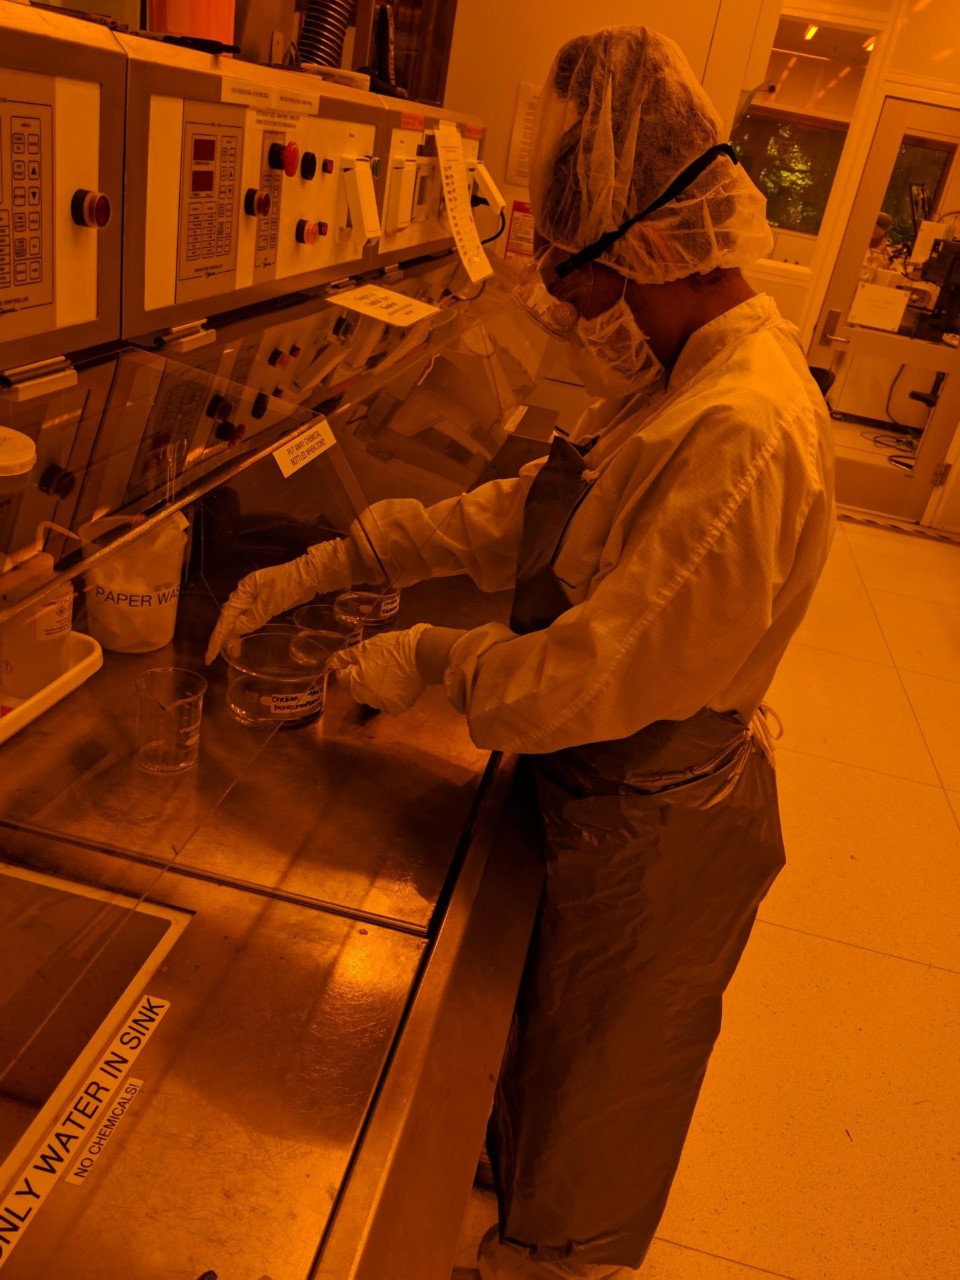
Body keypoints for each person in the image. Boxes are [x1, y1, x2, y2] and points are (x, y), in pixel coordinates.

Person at [207, 27, 835, 1279]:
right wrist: (352, 556)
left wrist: (427, 660)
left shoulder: (742, 430)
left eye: (577, 277)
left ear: (651, 246)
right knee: (535, 1068)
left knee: (583, 1127)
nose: (567, 307)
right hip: (607, 800)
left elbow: (583, 680)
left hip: (656, 827)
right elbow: (539, 512)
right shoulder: (684, 375)